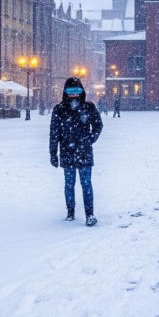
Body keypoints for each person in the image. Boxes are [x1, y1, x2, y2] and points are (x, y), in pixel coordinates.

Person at [49, 77, 104, 226]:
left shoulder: (88, 107)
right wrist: (53, 153)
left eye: (76, 91)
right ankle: (70, 212)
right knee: (69, 183)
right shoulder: (59, 110)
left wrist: (90, 139)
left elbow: (98, 125)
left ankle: (89, 213)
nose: (73, 95)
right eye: (71, 92)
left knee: (86, 183)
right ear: (65, 93)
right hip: (68, 151)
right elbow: (54, 133)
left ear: (81, 92)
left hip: (84, 151)